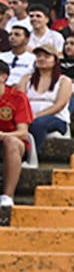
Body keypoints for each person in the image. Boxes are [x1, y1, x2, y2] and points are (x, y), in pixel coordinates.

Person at [24, 41, 72, 149]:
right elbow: (20, 100)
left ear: (55, 60)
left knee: (38, 123)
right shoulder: (26, 79)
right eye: (39, 56)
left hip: (56, 119)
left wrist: (35, 116)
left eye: (46, 56)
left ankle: (32, 155)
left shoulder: (64, 81)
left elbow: (59, 106)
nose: (41, 59)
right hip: (28, 117)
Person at [0, 68, 33, 208]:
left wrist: (2, 135)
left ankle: (8, 196)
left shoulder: (17, 97)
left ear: (3, 77)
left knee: (11, 142)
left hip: (12, 140)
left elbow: (23, 132)